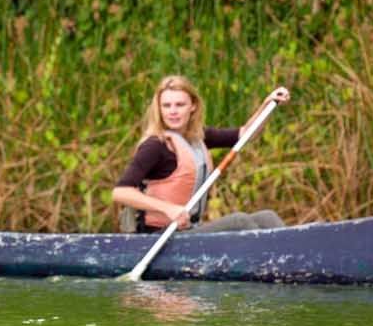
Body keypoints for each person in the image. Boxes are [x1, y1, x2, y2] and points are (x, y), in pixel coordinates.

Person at [113, 75, 289, 234]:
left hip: (188, 231)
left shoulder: (198, 138)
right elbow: (121, 192)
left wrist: (267, 105)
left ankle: (295, 259)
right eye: (166, 106)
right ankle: (269, 262)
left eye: (179, 105)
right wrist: (168, 209)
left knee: (267, 217)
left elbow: (245, 134)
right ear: (159, 109)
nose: (172, 111)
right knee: (239, 221)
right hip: (158, 237)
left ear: (193, 106)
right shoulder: (155, 145)